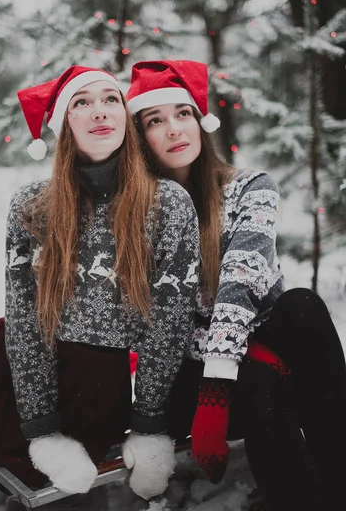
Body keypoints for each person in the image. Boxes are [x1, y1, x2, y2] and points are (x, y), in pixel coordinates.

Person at [0, 65, 201, 501]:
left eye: (110, 100)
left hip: (97, 375)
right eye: (82, 103)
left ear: (124, 116)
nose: (99, 112)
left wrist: (149, 424)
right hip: (24, 360)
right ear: (65, 123)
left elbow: (171, 323)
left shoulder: (168, 203)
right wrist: (42, 428)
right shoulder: (34, 203)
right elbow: (24, 315)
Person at [127, 59, 346, 511]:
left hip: (241, 350)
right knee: (262, 379)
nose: (174, 129)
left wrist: (226, 374)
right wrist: (225, 377)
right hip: (182, 373)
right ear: (140, 138)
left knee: (302, 305)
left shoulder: (250, 188)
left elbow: (242, 282)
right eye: (156, 120)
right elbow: (159, 325)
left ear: (200, 121)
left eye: (183, 113)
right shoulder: (138, 215)